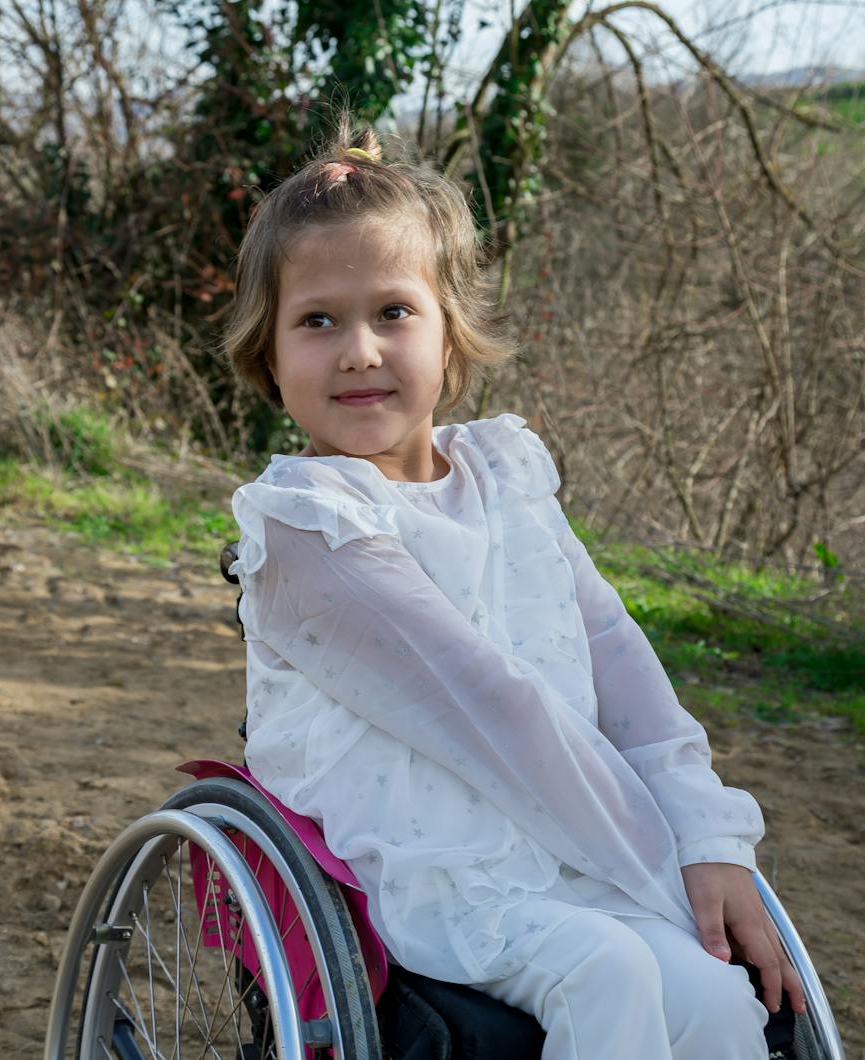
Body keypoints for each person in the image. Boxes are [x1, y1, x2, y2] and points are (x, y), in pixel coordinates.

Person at [223, 112, 804, 1060]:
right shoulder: (307, 523)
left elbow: (619, 659)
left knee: (708, 996)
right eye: (317, 320)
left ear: (451, 336)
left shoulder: (506, 475)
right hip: (436, 863)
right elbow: (491, 711)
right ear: (272, 354)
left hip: (574, 846)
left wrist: (710, 835)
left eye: (394, 312)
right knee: (608, 974)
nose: (360, 350)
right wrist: (666, 870)